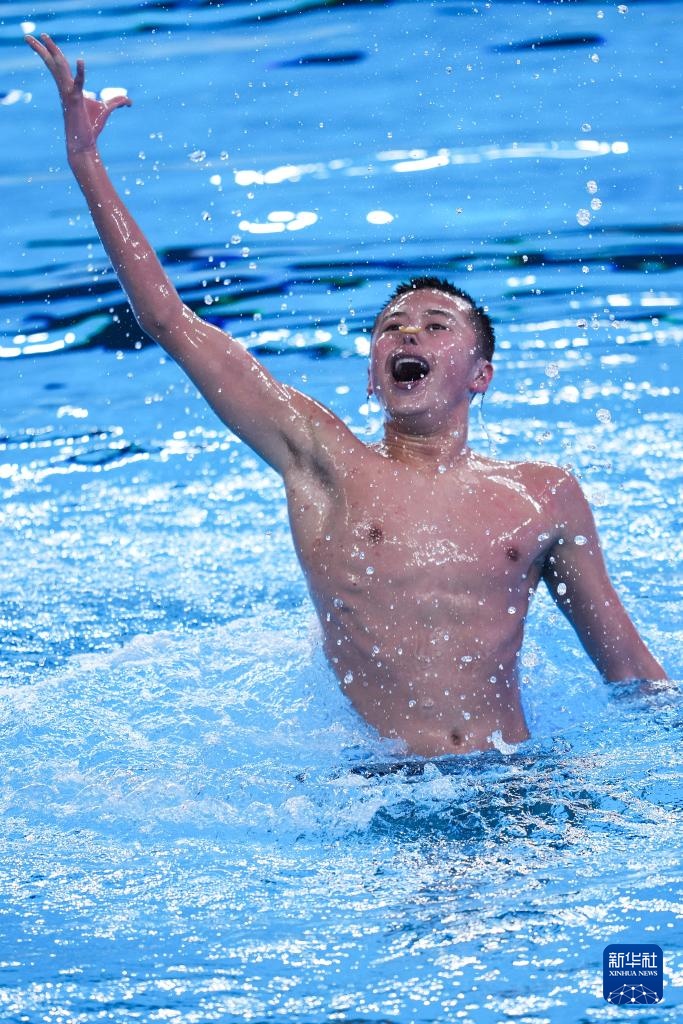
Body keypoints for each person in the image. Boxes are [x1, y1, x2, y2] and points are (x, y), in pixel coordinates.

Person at [26, 34, 667, 758]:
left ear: (479, 374)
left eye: (436, 325)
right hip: (386, 790)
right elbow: (171, 323)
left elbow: (629, 672)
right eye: (391, 327)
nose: (408, 332)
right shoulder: (324, 462)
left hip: (517, 777)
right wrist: (87, 164)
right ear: (372, 376)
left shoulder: (544, 495)